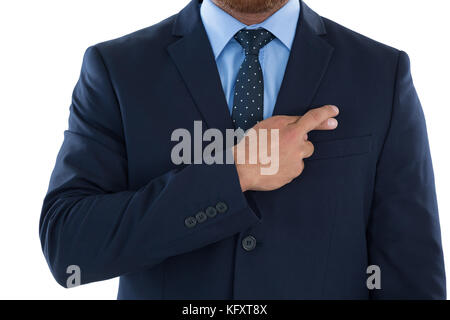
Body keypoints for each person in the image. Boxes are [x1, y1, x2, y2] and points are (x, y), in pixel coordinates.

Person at [40, 0, 446, 299]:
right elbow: (69, 247)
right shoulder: (117, 70)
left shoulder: (380, 74)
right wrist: (237, 174)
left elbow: (411, 277)